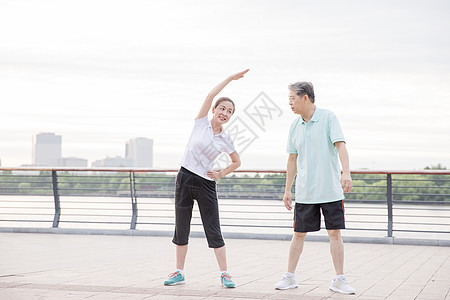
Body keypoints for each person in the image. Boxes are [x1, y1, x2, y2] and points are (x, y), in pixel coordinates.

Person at [164, 69, 249, 289]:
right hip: (184, 177)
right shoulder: (200, 122)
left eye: (229, 111)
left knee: (213, 229)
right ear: (214, 110)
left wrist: (221, 173)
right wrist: (230, 79)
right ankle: (179, 272)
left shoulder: (226, 139)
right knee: (181, 227)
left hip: (205, 184)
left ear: (231, 117)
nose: (225, 112)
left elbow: (236, 161)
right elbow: (210, 95)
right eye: (222, 108)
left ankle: (225, 273)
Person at [274, 81, 356, 295]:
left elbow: (341, 146)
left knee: (334, 234)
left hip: (330, 189)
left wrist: (345, 173)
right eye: (288, 99)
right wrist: (287, 190)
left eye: (292, 98)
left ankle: (339, 279)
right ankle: (289, 277)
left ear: (305, 97)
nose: (289, 103)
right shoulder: (294, 125)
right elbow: (292, 160)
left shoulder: (328, 117)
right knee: (298, 234)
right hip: (305, 191)